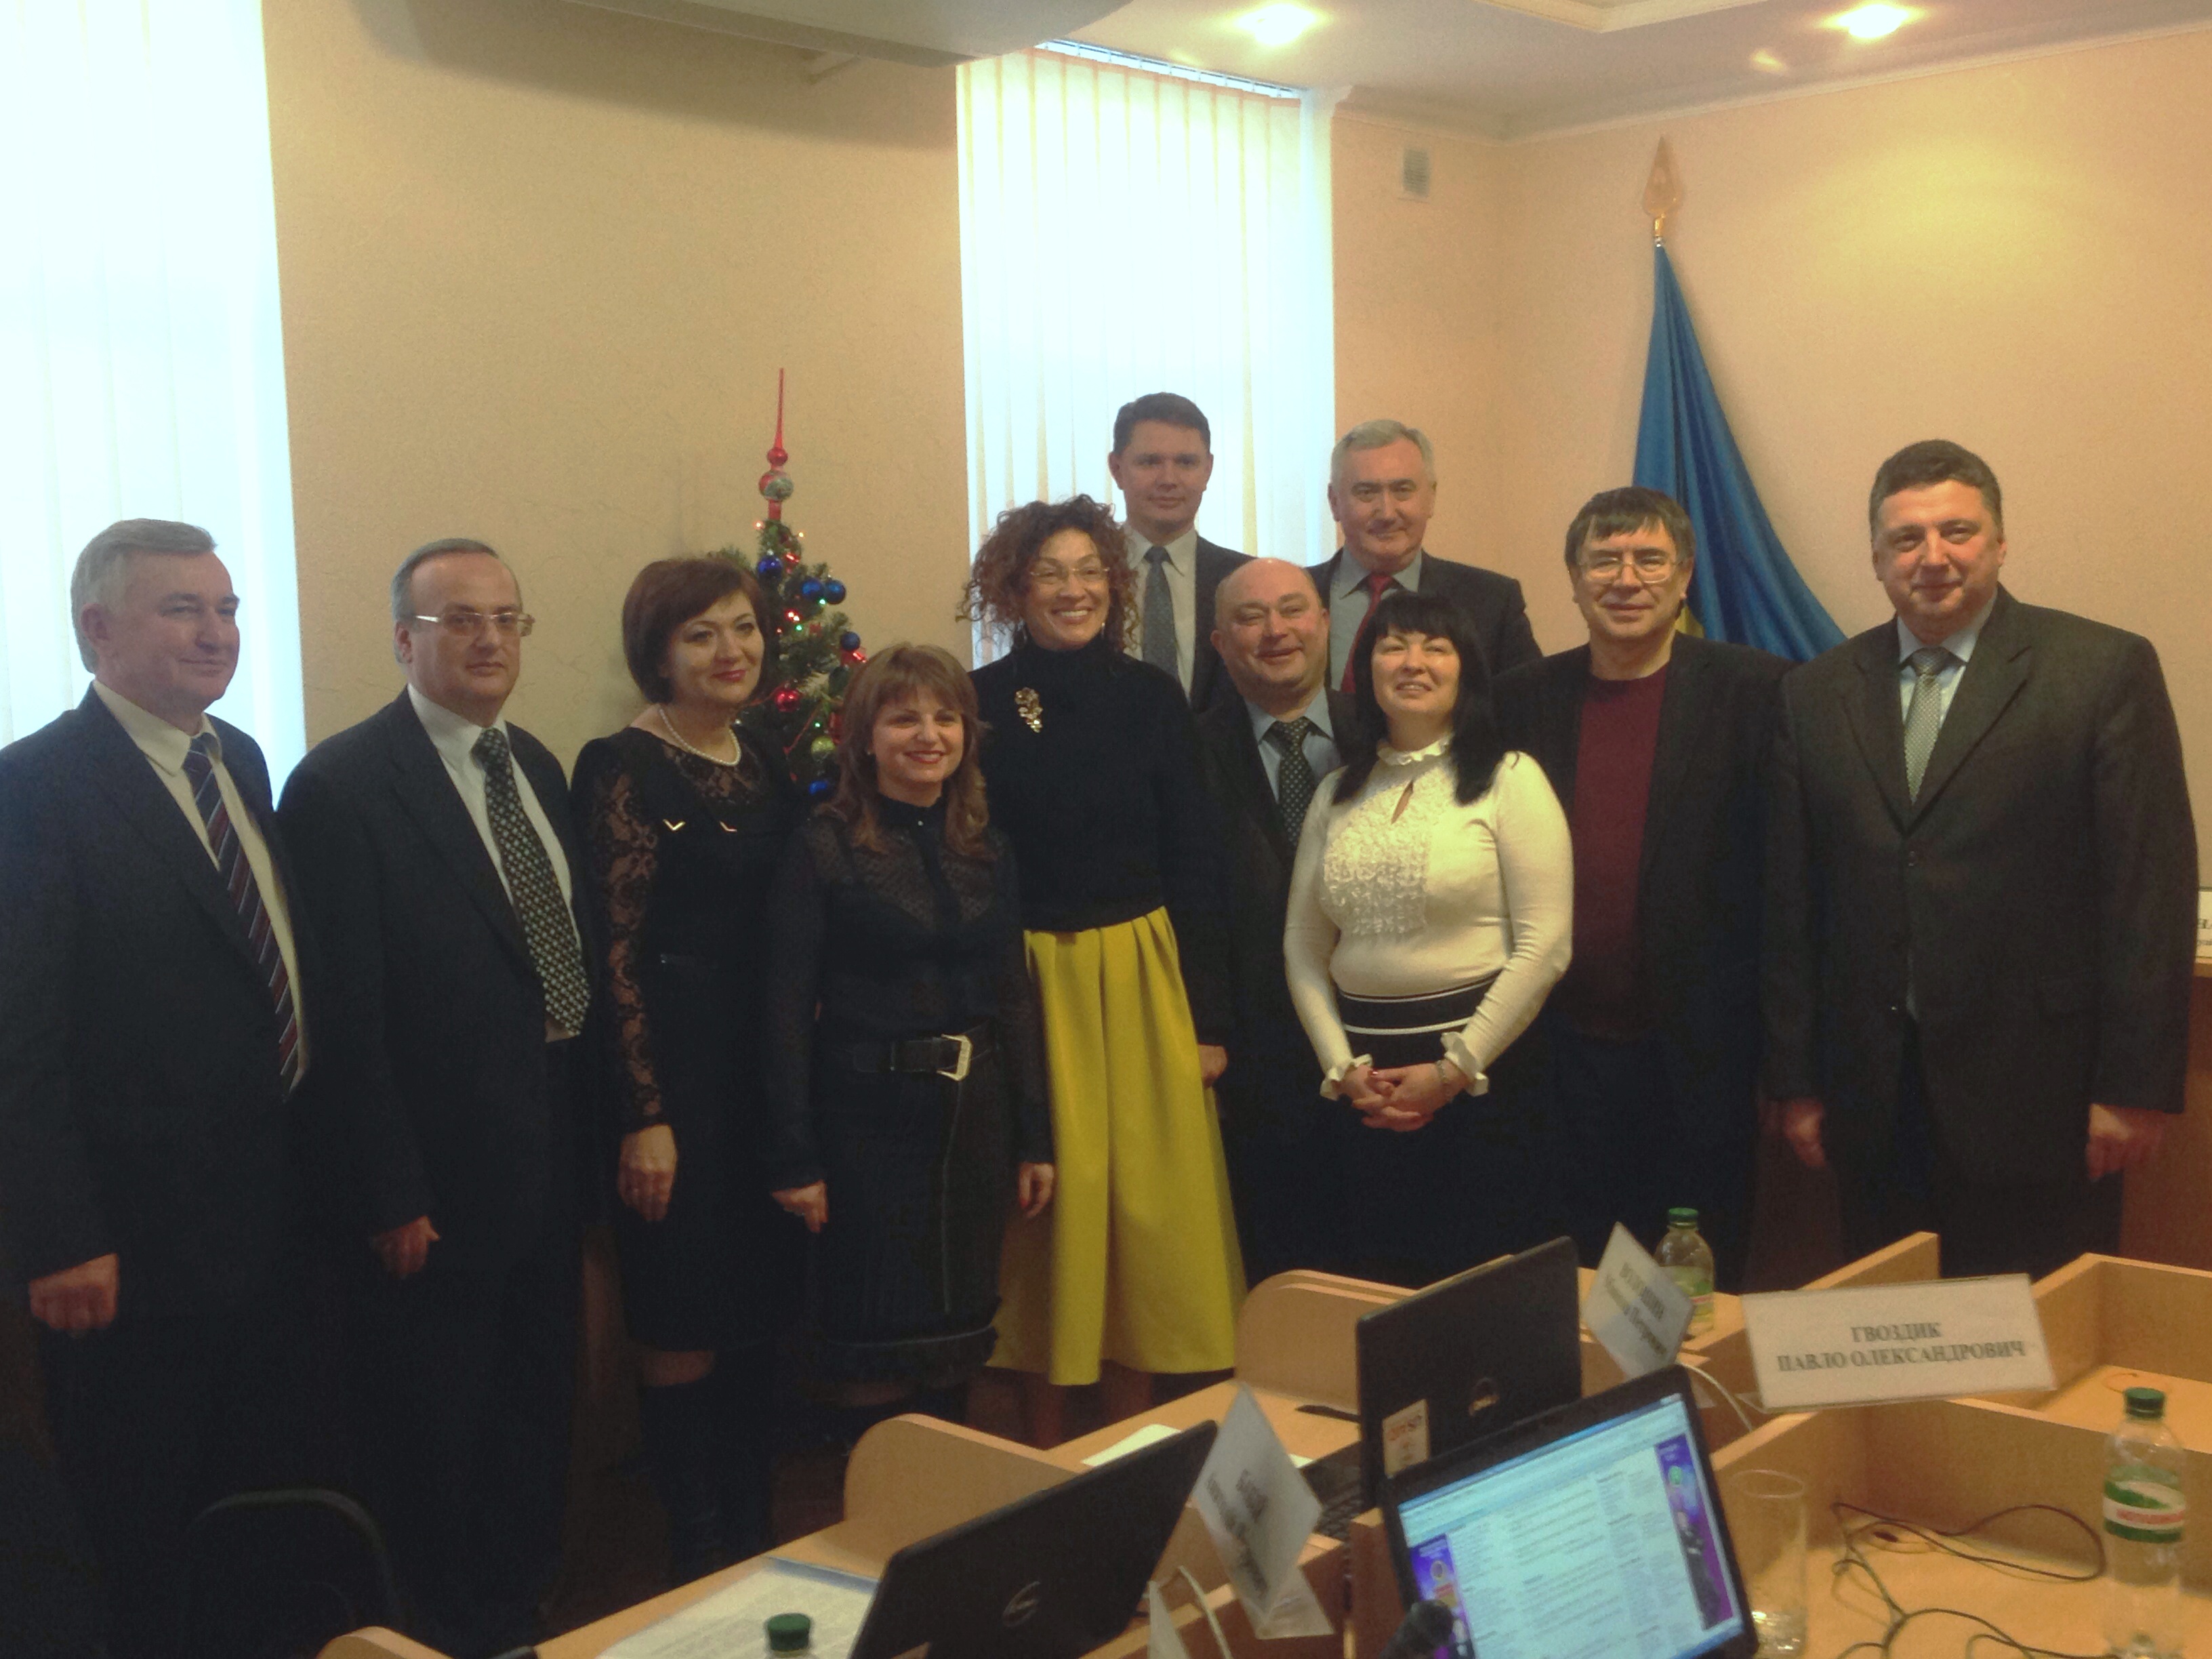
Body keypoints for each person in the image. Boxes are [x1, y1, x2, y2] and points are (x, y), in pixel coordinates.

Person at [1763, 441, 2196, 1280]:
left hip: (2044, 1099)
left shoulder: (2100, 670)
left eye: (1956, 532)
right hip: (1872, 1099)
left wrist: (2135, 1087)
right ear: (1878, 559)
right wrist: (1797, 1081)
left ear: (2000, 542)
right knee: (1887, 1327)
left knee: (2037, 1333)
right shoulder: (1814, 693)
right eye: (1907, 539)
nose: (1933, 557)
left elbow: (2149, 892)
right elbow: (1792, 903)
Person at [0, 519, 317, 1658]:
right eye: (183, 608)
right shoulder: (34, 786)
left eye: (226, 609)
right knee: (141, 1525)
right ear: (97, 629)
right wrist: (60, 1235)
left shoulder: (239, 757)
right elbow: (20, 1035)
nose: (216, 632)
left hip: (267, 1216)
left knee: (251, 1508)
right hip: (129, 1247)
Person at [280, 538, 596, 1656]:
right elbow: (345, 1017)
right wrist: (389, 1189)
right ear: (403, 640)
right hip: (432, 1182)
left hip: (548, 1150)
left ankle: (518, 1611)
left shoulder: (536, 766)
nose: (489, 639)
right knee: (436, 1426)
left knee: (535, 1405)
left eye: (507, 618)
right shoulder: (343, 786)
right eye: (459, 620)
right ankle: (445, 1626)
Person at [962, 495, 1244, 1443]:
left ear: (1113, 584)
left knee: (1142, 1216)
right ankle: (1048, 1448)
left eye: (1090, 571)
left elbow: (1195, 859)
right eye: (1051, 573)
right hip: (1032, 982)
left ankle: (1130, 1444)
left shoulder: (1153, 698)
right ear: (1014, 589)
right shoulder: (979, 703)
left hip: (1143, 976)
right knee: (1052, 1216)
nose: (1073, 589)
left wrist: (1209, 1022)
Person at [568, 557, 802, 1582]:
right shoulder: (621, 766)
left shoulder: (763, 758)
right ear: (657, 654)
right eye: (701, 635)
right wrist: (643, 1115)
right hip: (674, 1083)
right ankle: (698, 1549)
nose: (730, 651)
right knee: (681, 1316)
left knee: (756, 1315)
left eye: (743, 628)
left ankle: (755, 1533)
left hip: (763, 1082)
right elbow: (613, 954)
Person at [1493, 488, 1786, 1288]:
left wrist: (1784, 1061)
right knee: (1573, 1278)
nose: (1627, 579)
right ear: (1574, 578)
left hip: (1700, 1057)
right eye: (1604, 561)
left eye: (1650, 560)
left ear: (1685, 576)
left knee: (1694, 1285)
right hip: (1557, 1056)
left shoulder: (1758, 693)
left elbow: (1787, 882)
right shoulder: (1521, 699)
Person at [766, 644, 1055, 1424]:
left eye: (945, 717)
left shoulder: (987, 847)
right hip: (867, 1125)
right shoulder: (823, 845)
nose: (928, 735)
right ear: (865, 738)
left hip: (976, 1122)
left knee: (957, 1341)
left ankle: (942, 1495)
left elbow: (1014, 996)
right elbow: (784, 1011)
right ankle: (883, 1497)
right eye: (903, 719)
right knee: (876, 1345)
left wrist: (1036, 1138)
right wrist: (795, 1157)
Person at [1285, 588, 1572, 1286]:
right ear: (1367, 670)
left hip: (1484, 1075)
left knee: (1484, 1290)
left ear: (1465, 669)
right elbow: (1302, 946)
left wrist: (1453, 1072)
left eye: (1435, 647)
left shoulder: (1510, 778)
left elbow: (1547, 943)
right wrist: (1341, 1068)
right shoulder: (1336, 791)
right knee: (1378, 1287)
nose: (1413, 663)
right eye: (1393, 647)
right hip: (1366, 1085)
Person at [1192, 558, 1361, 1282]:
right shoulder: (1186, 751)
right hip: (1255, 1059)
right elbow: (1186, 902)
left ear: (1324, 622)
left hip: (1385, 1043)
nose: (1275, 631)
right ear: (1218, 642)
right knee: (1280, 1273)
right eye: (1250, 617)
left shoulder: (1388, 731)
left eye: (1293, 610)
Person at [1309, 419, 1541, 691]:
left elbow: (1530, 706)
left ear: (1431, 498)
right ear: (1334, 502)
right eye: (1367, 492)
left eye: (1402, 490)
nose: (1386, 513)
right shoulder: (1292, 598)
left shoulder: (1493, 602)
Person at [1106, 392, 1250, 710]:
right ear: (1116, 469)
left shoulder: (1246, 579)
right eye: (1150, 462)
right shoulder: (1083, 579)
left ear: (1208, 470)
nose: (1168, 480)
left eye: (1186, 462)